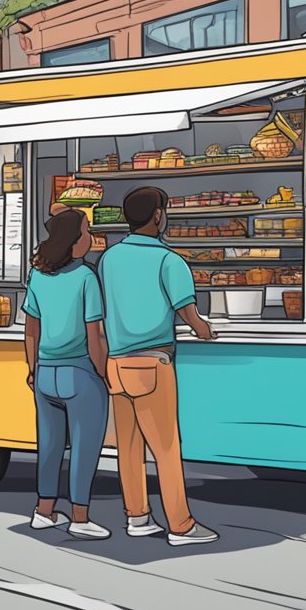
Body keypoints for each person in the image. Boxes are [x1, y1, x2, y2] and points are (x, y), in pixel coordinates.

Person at [99, 186, 218, 546]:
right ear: (157, 216)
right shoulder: (170, 261)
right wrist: (204, 330)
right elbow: (189, 315)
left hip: (116, 365)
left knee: (129, 449)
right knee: (165, 449)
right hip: (152, 364)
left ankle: (137, 517)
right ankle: (180, 525)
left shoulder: (109, 259)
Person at [22, 209, 111, 539]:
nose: (90, 237)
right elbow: (95, 336)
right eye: (86, 231)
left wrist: (32, 369)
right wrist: (104, 374)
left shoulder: (39, 276)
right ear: (74, 242)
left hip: (45, 373)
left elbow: (31, 330)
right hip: (80, 374)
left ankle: (44, 511)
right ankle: (80, 517)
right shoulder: (86, 277)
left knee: (49, 445)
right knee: (84, 448)